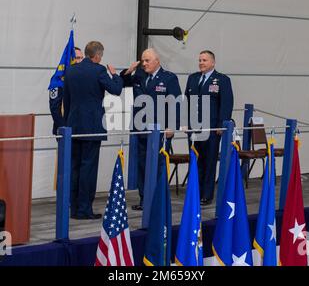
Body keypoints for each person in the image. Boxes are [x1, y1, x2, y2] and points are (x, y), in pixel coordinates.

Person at [63, 41, 123, 219]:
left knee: (74, 169)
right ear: (97, 55)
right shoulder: (99, 70)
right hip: (92, 127)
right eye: (101, 56)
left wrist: (68, 123)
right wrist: (115, 75)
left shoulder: (70, 70)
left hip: (73, 126)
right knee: (88, 169)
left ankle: (73, 209)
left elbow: (67, 100)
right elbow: (116, 90)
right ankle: (84, 210)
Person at [121, 48, 181, 210]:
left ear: (157, 61)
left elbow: (176, 103)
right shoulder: (139, 75)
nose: (144, 63)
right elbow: (122, 83)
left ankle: (157, 199)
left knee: (157, 164)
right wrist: (129, 71)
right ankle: (144, 199)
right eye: (143, 60)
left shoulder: (169, 78)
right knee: (142, 164)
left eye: (147, 61)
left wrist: (172, 125)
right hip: (141, 128)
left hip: (160, 130)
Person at [185, 50, 233, 206]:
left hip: (211, 128)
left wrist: (221, 124)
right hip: (194, 128)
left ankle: (206, 194)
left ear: (213, 62)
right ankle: (195, 192)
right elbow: (187, 101)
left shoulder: (222, 80)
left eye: (204, 60)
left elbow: (226, 103)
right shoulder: (192, 79)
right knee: (196, 159)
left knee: (210, 160)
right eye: (199, 60)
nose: (201, 63)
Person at [49, 47, 84, 135]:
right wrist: (64, 129)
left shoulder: (82, 77)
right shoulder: (57, 80)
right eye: (77, 58)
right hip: (65, 128)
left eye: (81, 58)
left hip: (80, 129)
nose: (80, 61)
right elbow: (55, 109)